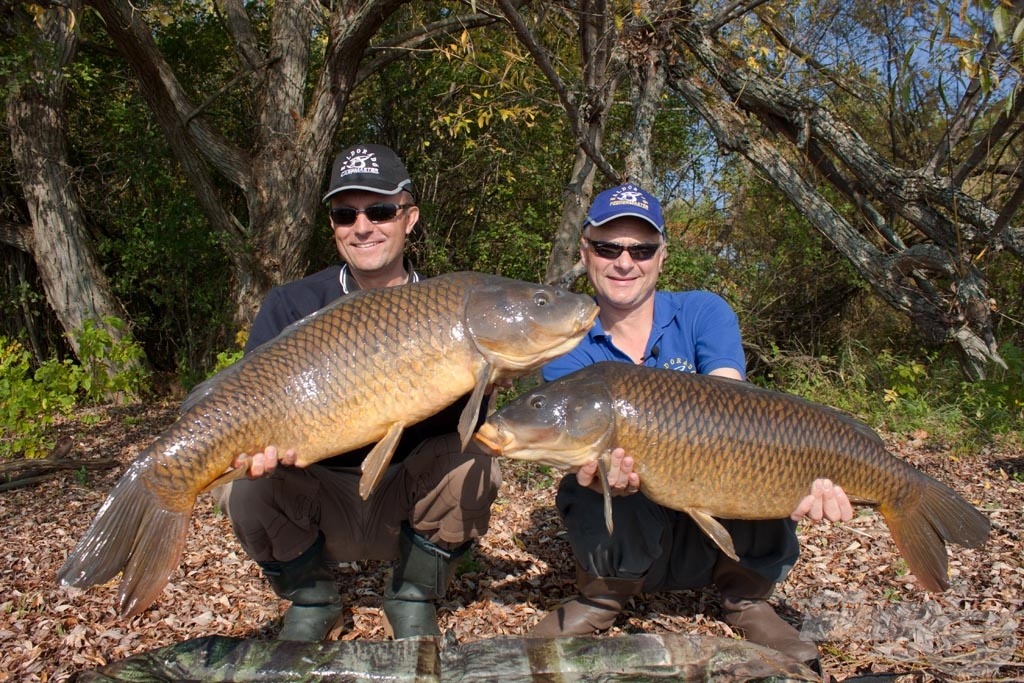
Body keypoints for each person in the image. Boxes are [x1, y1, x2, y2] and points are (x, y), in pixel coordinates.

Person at [528, 182, 853, 671]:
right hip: (633, 519)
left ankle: (747, 598)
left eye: (641, 249)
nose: (624, 262)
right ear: (585, 252)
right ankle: (603, 597)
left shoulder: (704, 310)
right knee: (604, 472)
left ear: (662, 256)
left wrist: (811, 473)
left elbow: (733, 399)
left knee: (755, 453)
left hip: (714, 501)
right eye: (607, 247)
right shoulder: (564, 342)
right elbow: (566, 439)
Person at [217, 143, 501, 642]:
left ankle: (413, 595)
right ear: (333, 225)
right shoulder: (292, 303)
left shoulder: (453, 308)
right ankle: (312, 599)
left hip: (403, 496)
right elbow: (244, 401)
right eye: (345, 214)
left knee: (478, 461)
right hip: (319, 495)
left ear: (409, 218)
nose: (362, 226)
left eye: (381, 210)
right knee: (246, 486)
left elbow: (470, 429)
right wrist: (250, 450)